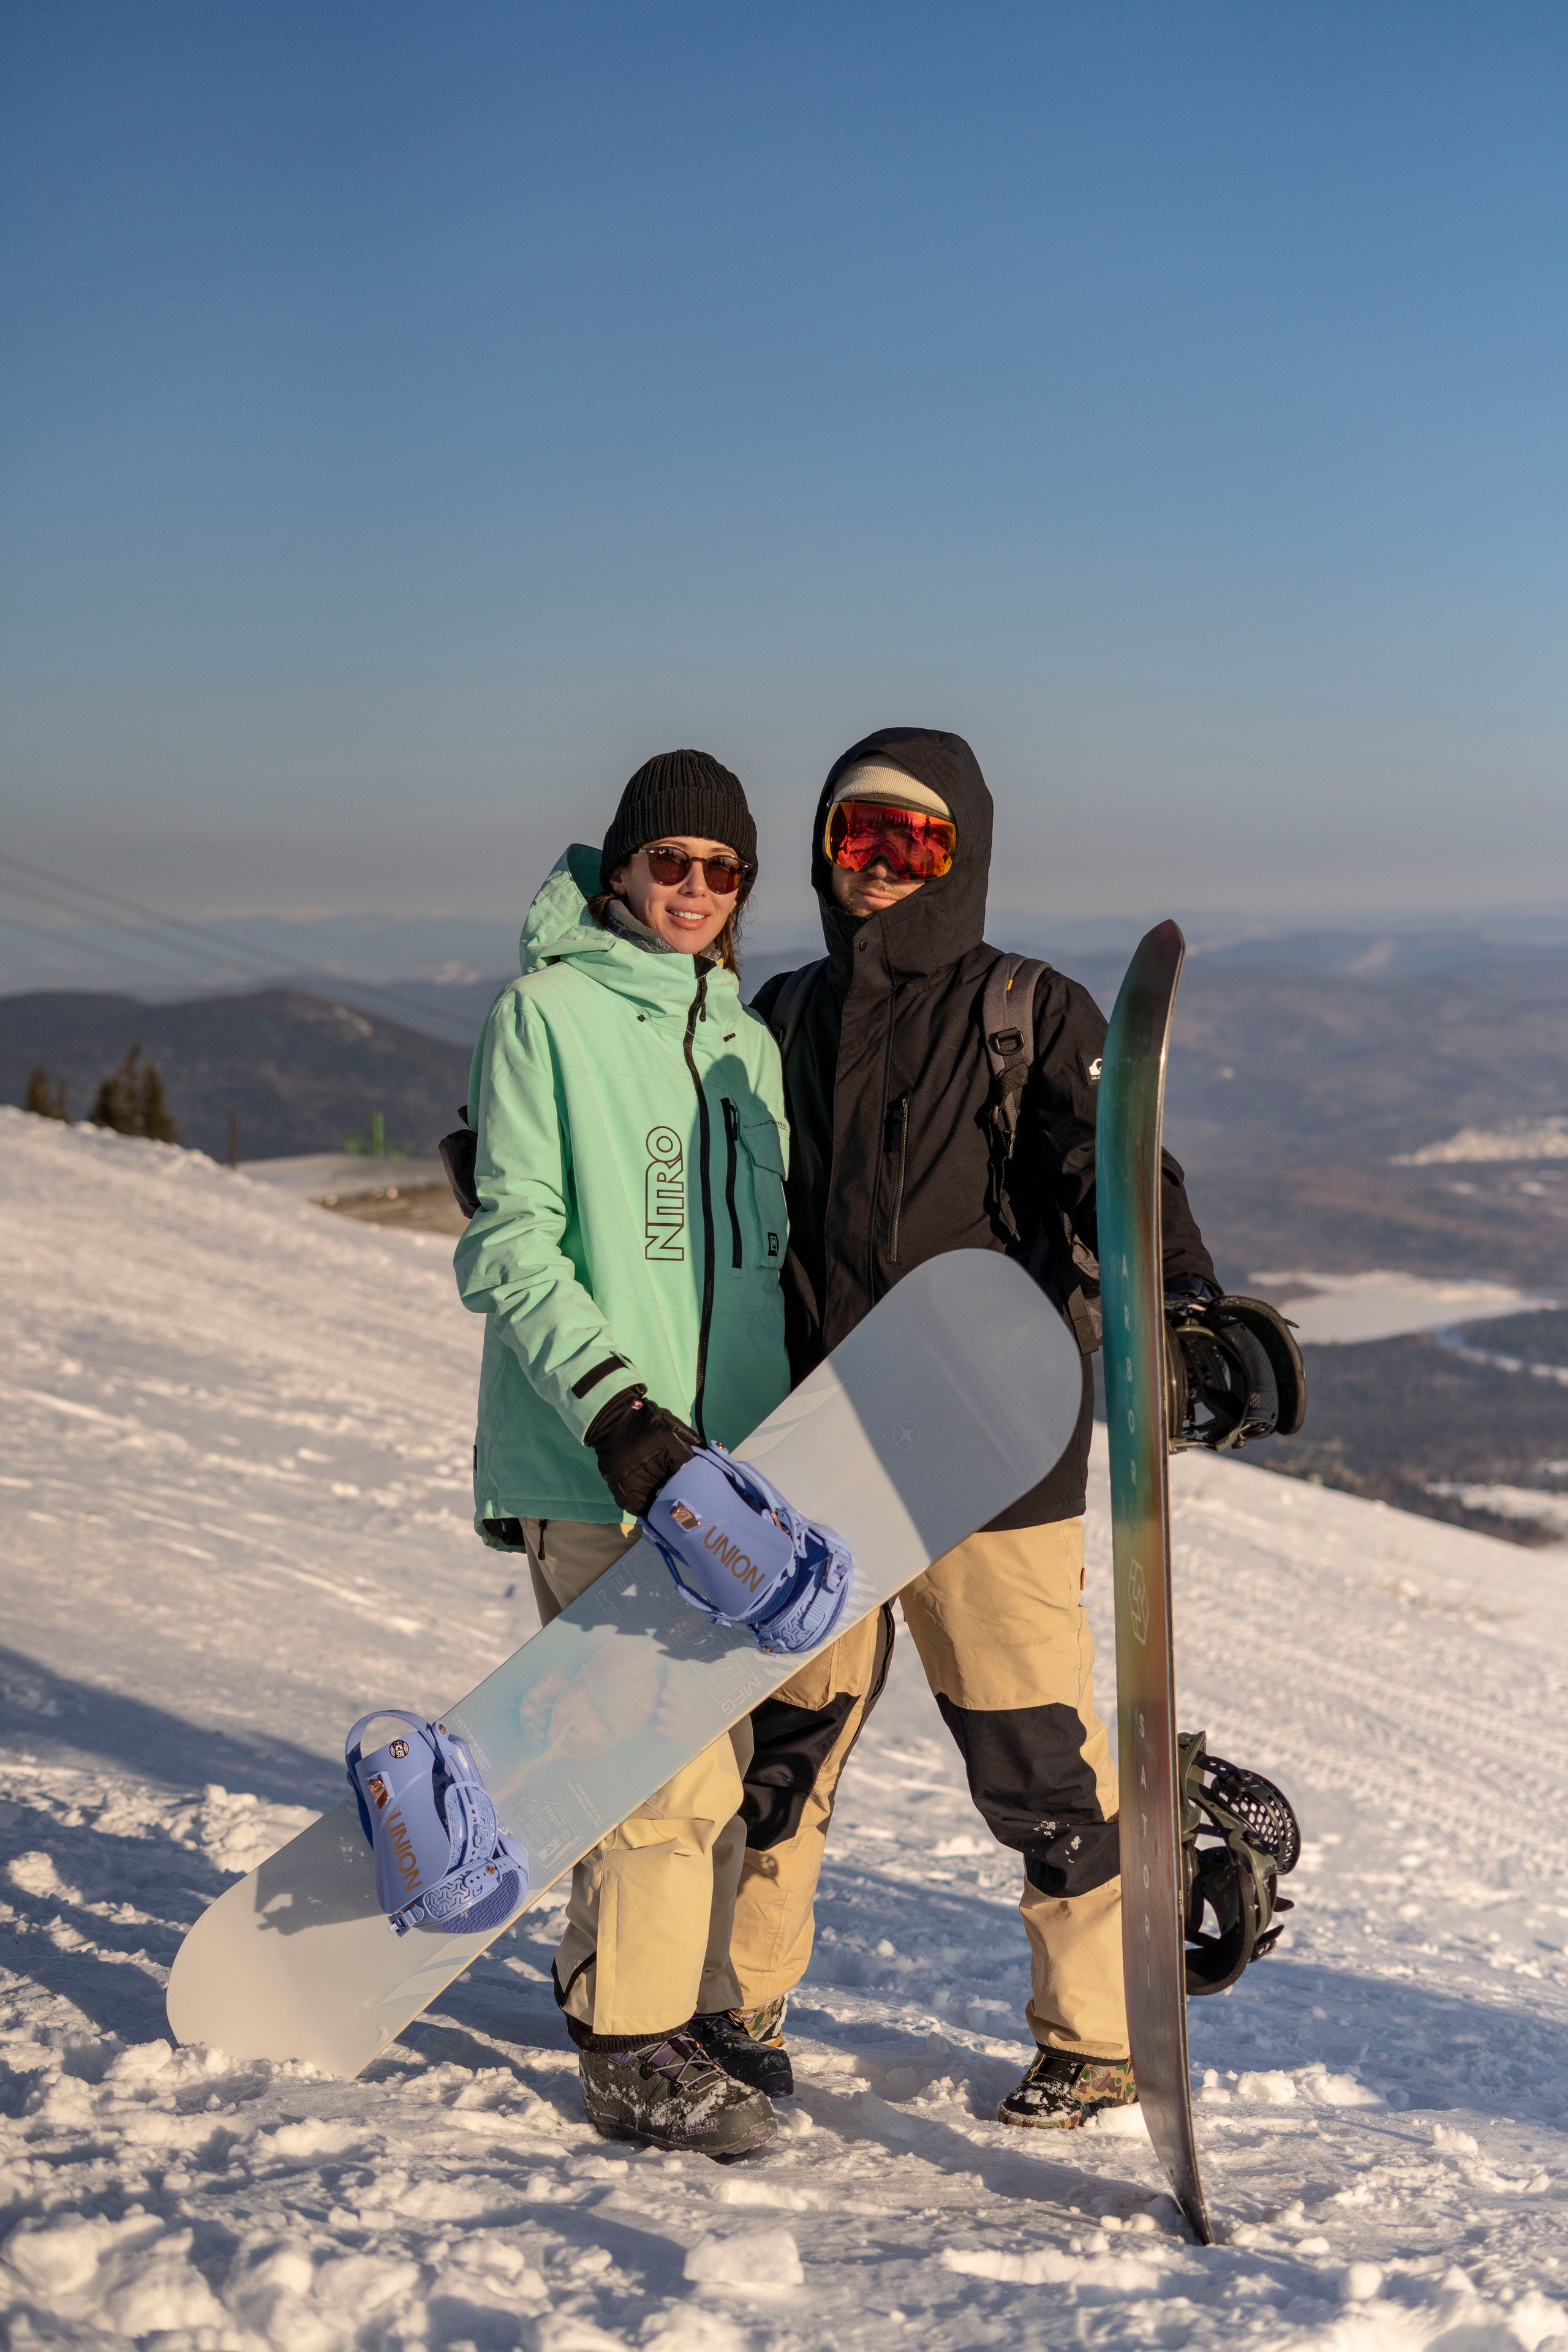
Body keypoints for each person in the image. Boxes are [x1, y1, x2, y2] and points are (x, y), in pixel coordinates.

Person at [725, 727, 1221, 2130]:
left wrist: (1176, 1292)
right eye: (853, 841)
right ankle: (737, 2002)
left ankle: (1097, 2033)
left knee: (1031, 1761)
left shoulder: (1025, 1008)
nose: (878, 870)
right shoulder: (781, 1015)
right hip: (819, 1451)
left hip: (992, 1455)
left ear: (962, 858)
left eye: (911, 844)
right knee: (779, 1754)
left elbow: (1110, 1157)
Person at [454, 748, 797, 2158]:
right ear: (620, 868)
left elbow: (755, 1266)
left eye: (723, 872)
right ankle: (628, 2047)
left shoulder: (742, 1041)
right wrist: (617, 1413)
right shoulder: (544, 1016)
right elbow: (510, 1242)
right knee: (664, 1770)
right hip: (601, 1459)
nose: (696, 892)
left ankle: (679, 2000)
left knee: (696, 1755)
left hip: (728, 1477)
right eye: (671, 864)